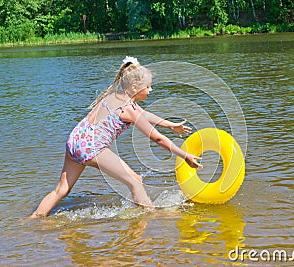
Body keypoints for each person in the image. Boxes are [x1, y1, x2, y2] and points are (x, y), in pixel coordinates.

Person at [31, 56, 202, 218]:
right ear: (135, 87)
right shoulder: (129, 110)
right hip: (92, 148)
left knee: (61, 190)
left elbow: (144, 114)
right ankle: (151, 217)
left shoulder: (114, 96)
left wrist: (170, 125)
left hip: (75, 141)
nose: (151, 90)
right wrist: (184, 155)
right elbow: (157, 138)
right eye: (148, 86)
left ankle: (32, 220)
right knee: (135, 181)